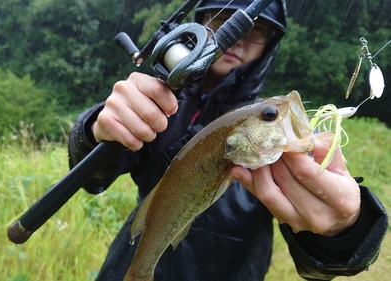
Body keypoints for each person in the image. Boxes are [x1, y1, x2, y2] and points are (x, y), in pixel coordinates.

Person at [68, 0, 388, 280]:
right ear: (201, 24)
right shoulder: (156, 105)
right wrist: (96, 129)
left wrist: (343, 232)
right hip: (126, 266)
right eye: (224, 23)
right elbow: (92, 179)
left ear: (271, 43)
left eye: (258, 30)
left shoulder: (268, 132)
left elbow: (319, 268)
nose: (238, 41)